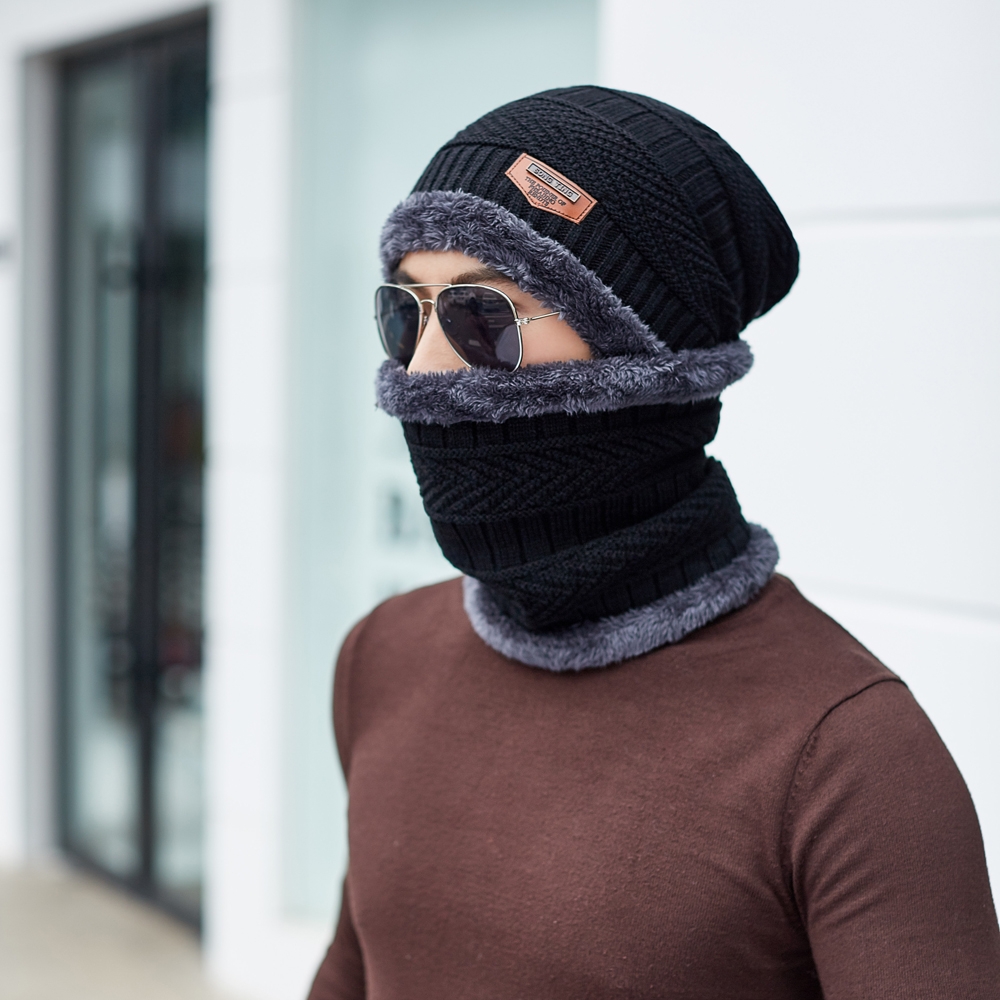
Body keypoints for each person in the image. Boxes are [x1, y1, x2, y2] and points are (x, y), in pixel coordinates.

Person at [308, 87, 1000, 999]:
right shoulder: (383, 656)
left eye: (484, 319)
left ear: (653, 361)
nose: (423, 371)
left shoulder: (847, 751)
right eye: (406, 315)